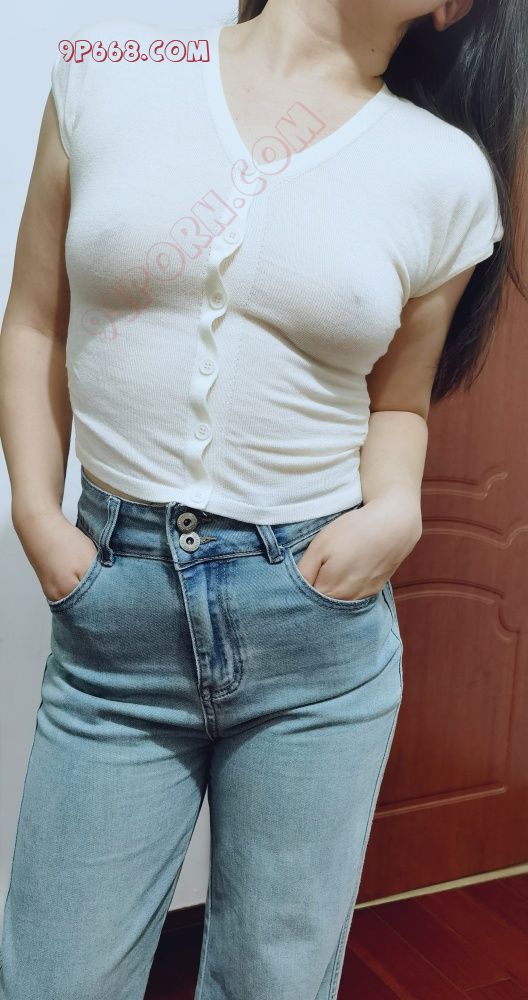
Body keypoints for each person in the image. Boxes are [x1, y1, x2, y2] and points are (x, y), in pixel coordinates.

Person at [0, 1, 524, 997]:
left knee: (272, 984)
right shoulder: (109, 72)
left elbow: (399, 402)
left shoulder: (446, 173)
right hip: (115, 627)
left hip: (314, 631)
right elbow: (34, 321)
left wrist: (397, 510)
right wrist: (36, 514)